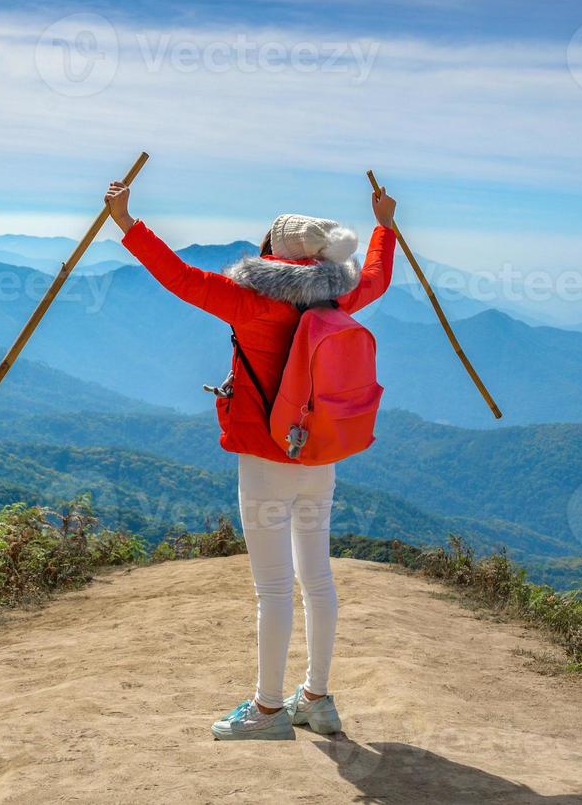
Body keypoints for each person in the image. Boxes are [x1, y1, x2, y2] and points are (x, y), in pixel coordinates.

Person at [104, 180, 398, 741]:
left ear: (272, 253)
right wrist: (383, 223)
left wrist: (126, 222)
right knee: (317, 576)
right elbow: (378, 276)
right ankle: (317, 698)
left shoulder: (249, 300)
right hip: (322, 454)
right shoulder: (338, 296)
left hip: (266, 458)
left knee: (272, 587)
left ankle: (267, 712)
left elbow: (180, 278)